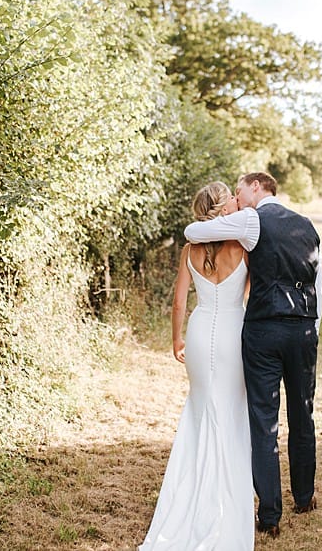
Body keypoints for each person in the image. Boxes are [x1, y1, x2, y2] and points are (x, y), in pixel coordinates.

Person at [184, 171, 322, 539]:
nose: (238, 196)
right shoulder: (307, 225)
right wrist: (313, 329)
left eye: (241, 189)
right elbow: (316, 284)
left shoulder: (251, 218)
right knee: (302, 412)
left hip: (263, 330)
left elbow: (195, 233)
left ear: (257, 187)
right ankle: (305, 496)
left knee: (263, 420)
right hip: (303, 329)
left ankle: (270, 514)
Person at [139, 181, 254, 551]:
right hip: (235, 333)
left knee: (201, 411)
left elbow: (178, 301)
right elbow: (254, 292)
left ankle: (190, 496)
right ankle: (226, 497)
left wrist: (176, 340)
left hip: (201, 331)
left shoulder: (190, 248)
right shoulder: (243, 247)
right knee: (232, 411)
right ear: (224, 207)